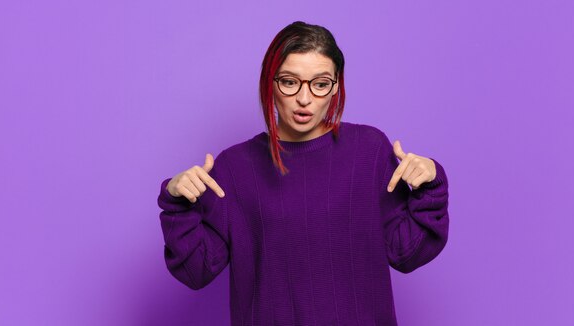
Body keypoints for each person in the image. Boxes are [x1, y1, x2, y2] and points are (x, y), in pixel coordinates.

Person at [157, 21, 449, 325]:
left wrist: (431, 183)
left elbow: (408, 253)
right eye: (289, 82)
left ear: (336, 86)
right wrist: (177, 201)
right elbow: (196, 270)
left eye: (320, 84)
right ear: (270, 81)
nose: (304, 99)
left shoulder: (369, 151)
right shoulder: (234, 168)